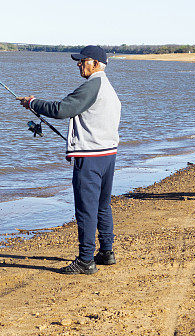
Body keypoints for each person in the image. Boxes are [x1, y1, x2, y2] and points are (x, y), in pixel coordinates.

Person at [18, 45, 121, 275]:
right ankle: (106, 252)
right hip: (108, 156)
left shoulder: (92, 86)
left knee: (86, 209)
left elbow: (62, 109)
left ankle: (85, 260)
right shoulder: (108, 89)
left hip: (91, 159)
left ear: (95, 63)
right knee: (103, 206)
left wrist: (33, 103)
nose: (78, 64)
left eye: (82, 60)